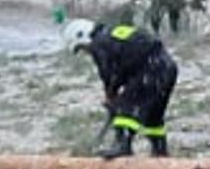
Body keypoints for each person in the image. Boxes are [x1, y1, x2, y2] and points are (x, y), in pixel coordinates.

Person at [63, 18, 179, 158]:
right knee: (153, 115)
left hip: (151, 68)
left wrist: (111, 96)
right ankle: (160, 151)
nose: (86, 52)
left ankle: (123, 145)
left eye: (82, 48)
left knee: (126, 107)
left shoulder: (99, 43)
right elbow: (126, 62)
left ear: (83, 36)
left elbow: (109, 72)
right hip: (166, 66)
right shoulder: (111, 34)